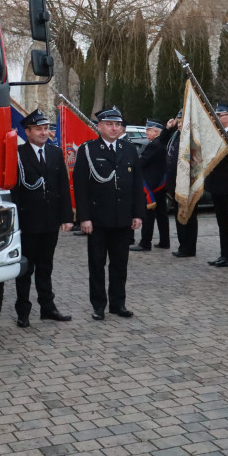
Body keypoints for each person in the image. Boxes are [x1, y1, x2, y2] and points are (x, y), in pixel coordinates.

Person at [73, 106, 144, 320]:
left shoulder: (129, 149)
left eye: (117, 125)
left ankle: (118, 304)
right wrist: (84, 217)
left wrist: (138, 213)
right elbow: (80, 187)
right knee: (97, 264)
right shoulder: (88, 150)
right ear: (100, 126)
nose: (114, 128)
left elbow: (137, 184)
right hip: (98, 219)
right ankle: (98, 305)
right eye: (109, 124)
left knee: (120, 264)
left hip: (122, 218)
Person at [12, 109, 75, 328]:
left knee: (46, 266)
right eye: (38, 129)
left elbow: (63, 187)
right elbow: (14, 191)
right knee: (25, 269)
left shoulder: (55, 153)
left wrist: (67, 217)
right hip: (28, 222)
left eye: (46, 128)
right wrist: (16, 222)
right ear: (27, 131)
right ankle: (23, 311)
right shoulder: (18, 154)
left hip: (50, 221)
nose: (43, 133)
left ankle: (48, 307)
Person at [207, 103, 228, 268]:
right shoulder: (218, 133)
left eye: (220, 115)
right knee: (221, 222)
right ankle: (224, 253)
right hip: (216, 185)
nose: (218, 118)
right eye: (217, 115)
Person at [131, 119, 173, 252]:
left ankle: (145, 243)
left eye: (149, 130)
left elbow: (142, 162)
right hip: (160, 184)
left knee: (148, 215)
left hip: (152, 185)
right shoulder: (158, 143)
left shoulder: (155, 145)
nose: (146, 132)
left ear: (156, 132)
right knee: (161, 214)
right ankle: (164, 241)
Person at [168, 111, 198, 258]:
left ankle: (189, 248)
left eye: (182, 122)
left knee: (188, 216)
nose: (179, 125)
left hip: (187, 184)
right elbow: (162, 144)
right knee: (178, 216)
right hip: (175, 184)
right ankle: (182, 245)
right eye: (178, 122)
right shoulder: (176, 135)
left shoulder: (192, 138)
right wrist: (168, 128)